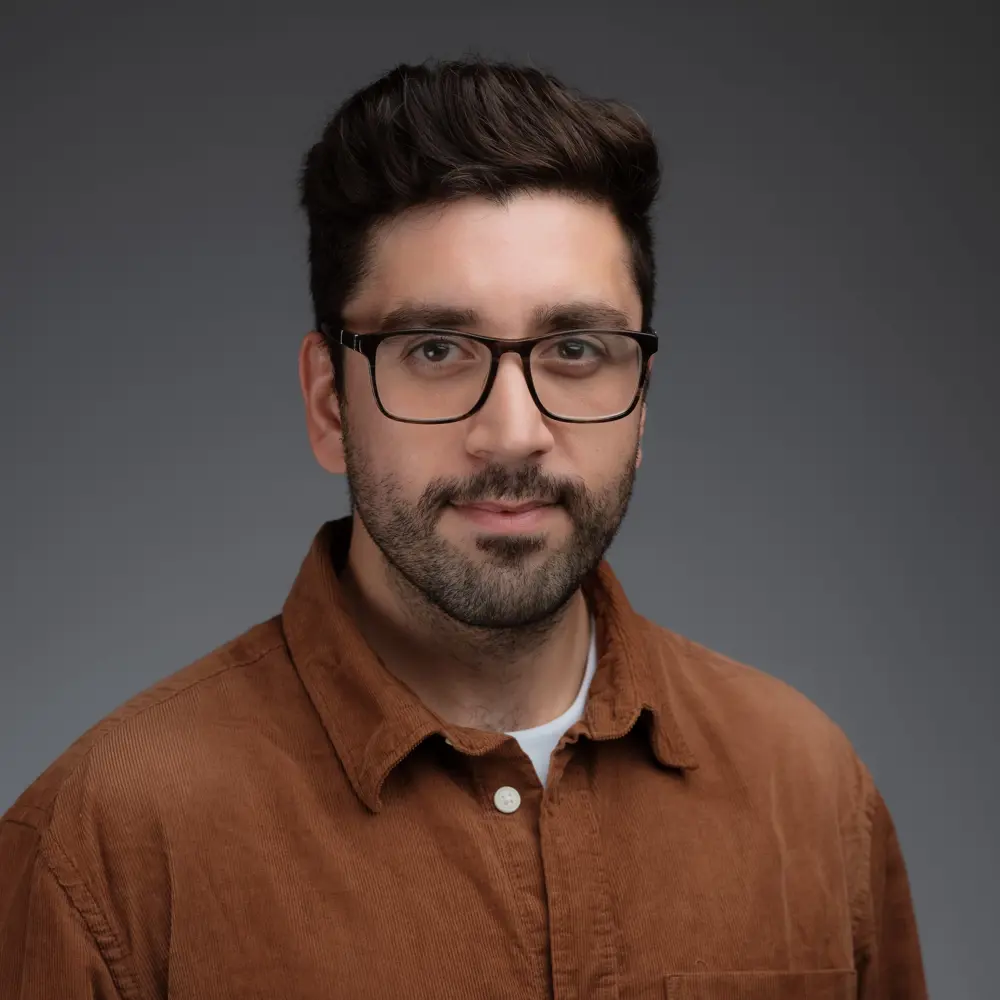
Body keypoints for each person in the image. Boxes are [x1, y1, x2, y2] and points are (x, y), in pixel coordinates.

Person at [0, 59, 927, 999]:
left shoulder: (810, 792)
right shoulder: (97, 848)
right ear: (330, 402)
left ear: (642, 401)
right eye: (436, 350)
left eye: (575, 350)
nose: (513, 433)